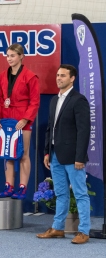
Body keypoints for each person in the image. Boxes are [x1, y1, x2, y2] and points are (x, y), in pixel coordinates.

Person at [36, 64, 90, 244]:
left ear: (72, 78)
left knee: (81, 194)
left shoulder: (78, 100)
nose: (59, 78)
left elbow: (84, 131)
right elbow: (50, 129)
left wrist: (80, 157)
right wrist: (46, 152)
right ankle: (58, 228)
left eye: (63, 76)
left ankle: (83, 231)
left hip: (73, 157)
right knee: (60, 194)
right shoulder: (54, 100)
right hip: (55, 156)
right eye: (58, 75)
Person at [0, 44, 40, 199]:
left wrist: (25, 119)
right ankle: (9, 186)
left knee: (23, 154)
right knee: (8, 153)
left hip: (22, 119)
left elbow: (34, 102)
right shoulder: (1, 76)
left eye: (12, 55)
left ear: (21, 56)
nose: (9, 59)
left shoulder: (30, 77)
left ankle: (22, 187)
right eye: (7, 56)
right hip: (6, 118)